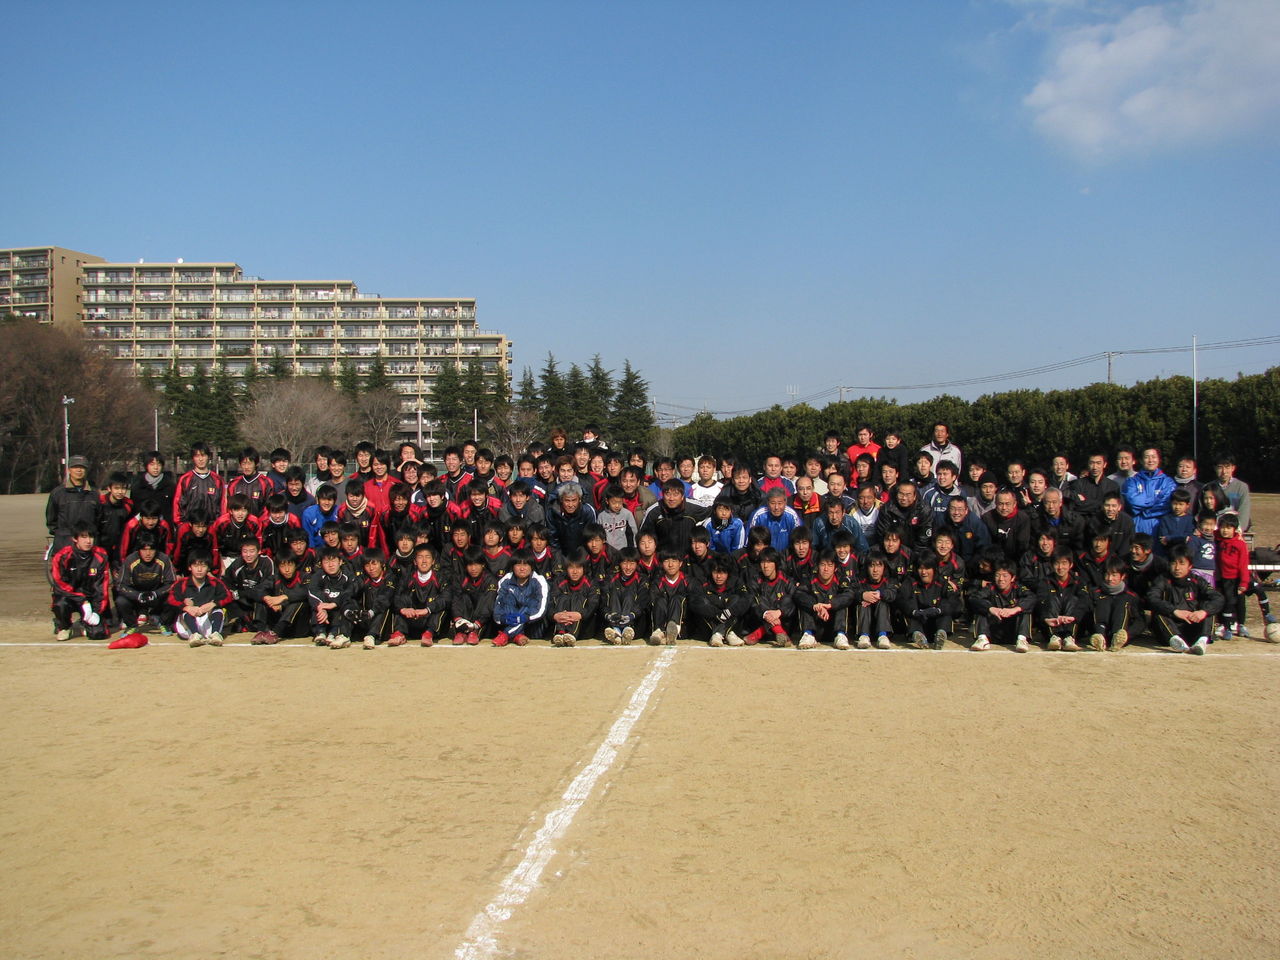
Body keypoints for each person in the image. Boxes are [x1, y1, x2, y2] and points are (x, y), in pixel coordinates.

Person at [1147, 544, 1223, 655]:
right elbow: (1152, 598)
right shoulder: (1162, 580)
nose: (1177, 568)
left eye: (1182, 563)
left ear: (1190, 566)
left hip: (1192, 624)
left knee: (1209, 608)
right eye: (1174, 563)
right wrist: (1174, 611)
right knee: (1159, 611)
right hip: (1169, 628)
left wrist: (1202, 612)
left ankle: (1202, 641)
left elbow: (1218, 598)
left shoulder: (1197, 581)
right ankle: (1177, 641)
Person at [50, 525, 111, 641]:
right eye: (84, 537)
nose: (88, 541)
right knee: (60, 603)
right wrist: (81, 600)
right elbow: (59, 585)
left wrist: (97, 612)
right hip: (69, 596)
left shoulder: (101, 556)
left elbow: (102, 587)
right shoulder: (62, 556)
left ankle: (84, 623)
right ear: (75, 538)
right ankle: (64, 626)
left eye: (91, 537)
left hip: (90, 598)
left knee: (98, 634)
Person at [168, 551, 232, 647]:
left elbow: (228, 596)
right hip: (187, 627)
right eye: (195, 566)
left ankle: (216, 635)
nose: (199, 569)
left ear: (208, 568)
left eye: (203, 566)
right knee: (186, 611)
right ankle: (195, 635)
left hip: (208, 624)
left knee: (218, 610)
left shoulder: (215, 582)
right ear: (190, 567)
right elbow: (171, 599)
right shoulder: (181, 583)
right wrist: (186, 607)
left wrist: (213, 604)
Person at [969, 561, 1035, 653]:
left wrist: (1015, 609)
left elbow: (1032, 598)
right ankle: (982, 639)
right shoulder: (990, 588)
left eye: (1005, 575)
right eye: (997, 575)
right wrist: (990, 608)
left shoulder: (1018, 588)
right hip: (993, 630)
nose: (1001, 579)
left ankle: (1022, 640)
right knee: (981, 607)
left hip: (1013, 631)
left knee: (1025, 610)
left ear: (1013, 578)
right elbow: (974, 598)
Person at [115, 534, 176, 634]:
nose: (148, 553)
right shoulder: (130, 560)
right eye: (144, 549)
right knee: (121, 601)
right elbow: (120, 585)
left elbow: (172, 584)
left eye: (151, 549)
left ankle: (164, 623)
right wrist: (137, 595)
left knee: (174, 597)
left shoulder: (164, 559)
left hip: (156, 596)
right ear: (139, 550)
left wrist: (156, 593)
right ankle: (131, 625)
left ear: (156, 550)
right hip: (137, 597)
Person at [796, 551, 855, 650]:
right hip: (816, 623)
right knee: (804, 602)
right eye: (822, 565)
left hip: (833, 624)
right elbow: (798, 594)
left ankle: (840, 635)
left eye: (830, 565)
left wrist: (830, 605)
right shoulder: (809, 579)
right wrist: (815, 606)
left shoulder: (841, 580)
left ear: (835, 568)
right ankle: (808, 634)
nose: (826, 569)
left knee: (842, 602)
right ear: (817, 566)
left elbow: (849, 594)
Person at [1036, 548, 1091, 651]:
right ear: (1052, 565)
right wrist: (1046, 618)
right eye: (1057, 563)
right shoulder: (1045, 581)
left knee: (1074, 599)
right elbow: (1040, 601)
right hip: (1051, 624)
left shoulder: (1079, 582)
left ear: (1071, 565)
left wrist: (1073, 617)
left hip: (1073, 624)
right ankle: (1055, 637)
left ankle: (1068, 638)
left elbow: (1084, 602)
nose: (1060, 567)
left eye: (1064, 563)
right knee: (1051, 599)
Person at [896, 558, 958, 650]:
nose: (924, 572)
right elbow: (902, 600)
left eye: (927, 568)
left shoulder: (942, 582)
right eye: (921, 568)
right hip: (918, 618)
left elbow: (953, 601)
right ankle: (918, 636)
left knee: (946, 614)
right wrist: (914, 612)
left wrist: (938, 610)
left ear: (934, 569)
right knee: (910, 616)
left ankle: (940, 635)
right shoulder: (910, 582)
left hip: (936, 617)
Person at [493, 550, 549, 646]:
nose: (522, 568)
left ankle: (506, 635)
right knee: (508, 599)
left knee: (530, 603)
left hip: (533, 624)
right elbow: (498, 608)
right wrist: (503, 619)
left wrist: (522, 618)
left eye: (525, 565)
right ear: (513, 566)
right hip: (509, 621)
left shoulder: (539, 580)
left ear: (531, 566)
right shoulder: (506, 580)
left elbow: (541, 610)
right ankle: (518, 635)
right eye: (518, 565)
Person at [308, 546, 360, 648]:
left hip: (338, 610)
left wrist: (334, 603)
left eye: (333, 561)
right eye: (326, 562)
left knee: (350, 603)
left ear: (340, 562)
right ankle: (320, 632)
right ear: (321, 564)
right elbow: (312, 592)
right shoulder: (318, 576)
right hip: (325, 612)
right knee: (316, 606)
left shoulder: (348, 576)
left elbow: (350, 592)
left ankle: (334, 633)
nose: (330, 565)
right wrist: (321, 607)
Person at [46, 455, 98, 555]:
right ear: (69, 469)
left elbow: (99, 518)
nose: (79, 470)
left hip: (88, 545)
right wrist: (62, 533)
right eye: (75, 467)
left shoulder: (94, 493)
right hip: (64, 543)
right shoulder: (58, 493)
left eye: (82, 467)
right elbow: (51, 520)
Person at [1089, 559, 1142, 652]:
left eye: (1114, 575)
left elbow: (1140, 621)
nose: (1110, 578)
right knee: (1101, 604)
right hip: (1100, 629)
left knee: (1122, 605)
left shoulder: (1131, 596)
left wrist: (1128, 634)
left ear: (1122, 576)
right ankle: (1100, 638)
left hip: (1120, 630)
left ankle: (1117, 639)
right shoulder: (1095, 593)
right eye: (1107, 574)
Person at [549, 551, 600, 646]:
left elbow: (593, 604)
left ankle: (570, 633)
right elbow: (550, 602)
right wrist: (554, 615)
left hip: (583, 625)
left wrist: (580, 614)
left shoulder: (591, 583)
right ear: (566, 569)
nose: (575, 572)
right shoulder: (559, 581)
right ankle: (560, 632)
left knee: (578, 598)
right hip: (560, 621)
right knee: (563, 598)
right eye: (571, 567)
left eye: (578, 568)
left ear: (584, 569)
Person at [1123, 448, 1176, 536]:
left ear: (1159, 460)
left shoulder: (1168, 482)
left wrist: (1145, 509)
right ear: (1141, 460)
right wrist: (1155, 499)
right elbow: (1133, 502)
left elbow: (1166, 504)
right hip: (1138, 523)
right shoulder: (1132, 481)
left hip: (1161, 524)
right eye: (1147, 457)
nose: (1150, 460)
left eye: (1153, 457)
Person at [450, 548, 498, 645]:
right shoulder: (460, 578)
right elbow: (456, 599)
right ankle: (461, 632)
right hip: (464, 619)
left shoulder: (490, 580)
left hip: (482, 621)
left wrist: (476, 624)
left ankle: (474, 632)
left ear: (483, 564)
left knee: (485, 598)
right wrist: (458, 619)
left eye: (476, 564)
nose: (473, 569)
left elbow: (489, 604)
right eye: (470, 565)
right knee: (463, 596)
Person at [173, 442, 224, 526]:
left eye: (203, 455)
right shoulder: (185, 479)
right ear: (193, 458)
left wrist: (220, 524)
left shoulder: (218, 480)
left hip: (212, 526)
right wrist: (181, 524)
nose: (200, 459)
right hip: (191, 526)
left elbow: (222, 504)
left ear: (209, 457)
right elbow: (178, 504)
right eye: (197, 456)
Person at [1203, 456, 1252, 532]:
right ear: (1215, 468)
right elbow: (1203, 511)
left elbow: (1244, 512)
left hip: (1234, 529)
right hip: (1212, 529)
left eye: (1227, 467)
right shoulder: (1208, 487)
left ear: (1233, 468)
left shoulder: (1241, 487)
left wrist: (1238, 530)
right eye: (1220, 467)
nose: (1224, 471)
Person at [130, 451, 176, 521]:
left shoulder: (170, 486)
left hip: (164, 525)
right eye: (152, 464)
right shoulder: (138, 486)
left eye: (159, 464)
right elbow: (133, 510)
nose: (156, 467)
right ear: (146, 466)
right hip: (142, 525)